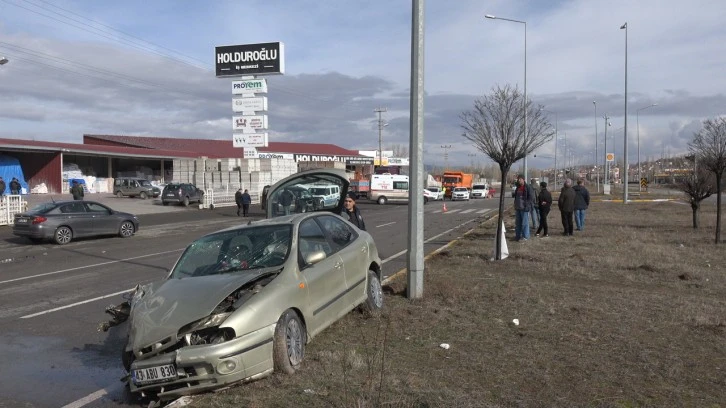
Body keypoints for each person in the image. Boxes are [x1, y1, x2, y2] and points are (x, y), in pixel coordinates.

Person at [512, 175, 534, 241]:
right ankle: (518, 236)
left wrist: (527, 205)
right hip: (518, 208)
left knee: (525, 223)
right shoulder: (518, 188)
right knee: (518, 223)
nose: (519, 180)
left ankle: (525, 236)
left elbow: (531, 197)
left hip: (524, 209)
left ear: (523, 180)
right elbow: (516, 197)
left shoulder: (527, 187)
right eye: (518, 179)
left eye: (520, 179)